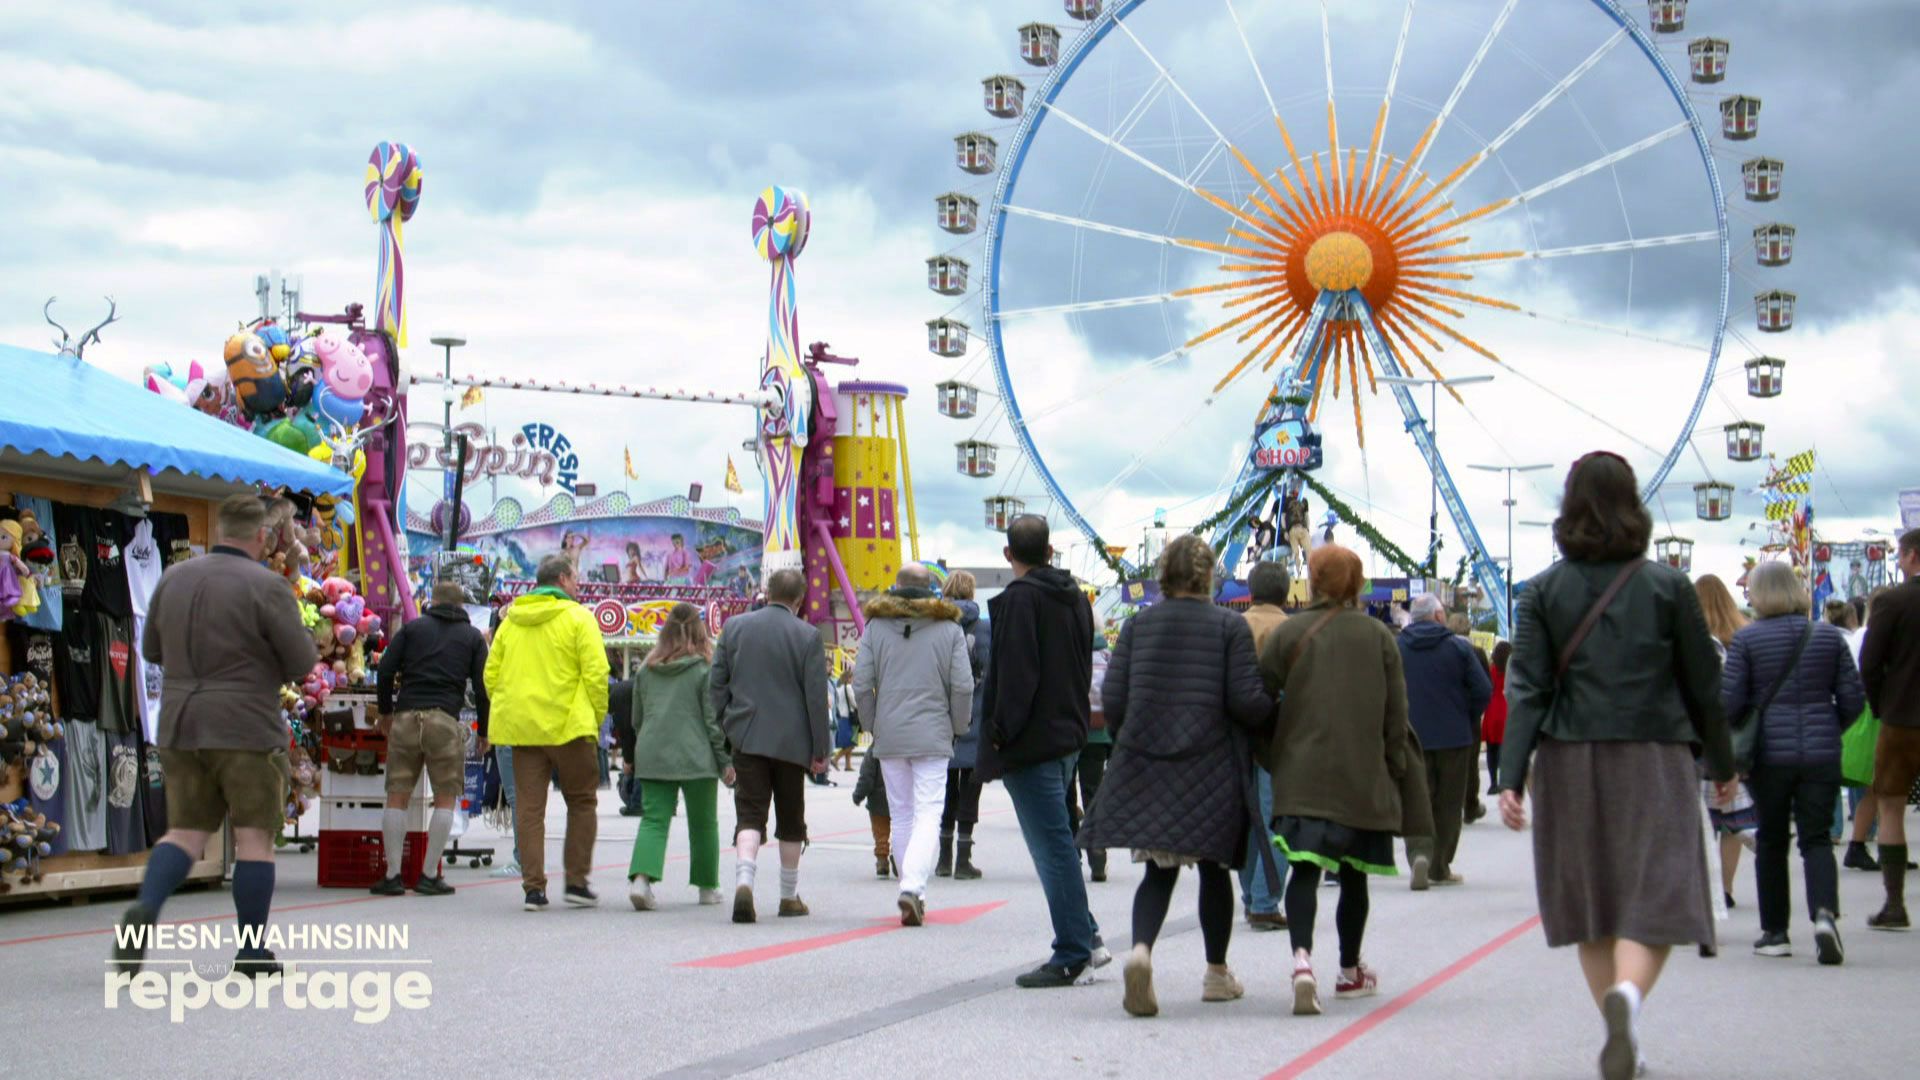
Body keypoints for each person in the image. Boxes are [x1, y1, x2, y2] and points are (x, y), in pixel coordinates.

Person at [1499, 451, 1735, 1080]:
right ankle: (1629, 1000)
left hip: (1568, 759)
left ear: (1567, 508)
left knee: (1590, 901)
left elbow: (1527, 688)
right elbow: (1703, 686)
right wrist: (1724, 763)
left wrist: (1510, 775)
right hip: (1653, 754)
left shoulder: (1542, 592)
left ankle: (1614, 1020)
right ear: (1634, 505)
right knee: (1655, 891)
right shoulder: (1667, 586)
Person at [112, 495, 319, 975]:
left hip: (181, 723)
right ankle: (251, 951)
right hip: (246, 727)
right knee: (253, 840)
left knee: (183, 833)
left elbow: (152, 649)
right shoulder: (266, 586)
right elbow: (302, 663)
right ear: (263, 537)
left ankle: (144, 914)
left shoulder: (173, 578)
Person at [1079, 535, 1273, 1017]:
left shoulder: (1139, 626)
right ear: (1209, 576)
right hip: (1210, 764)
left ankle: (1142, 950)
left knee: (1158, 869)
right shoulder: (1229, 627)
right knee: (1213, 869)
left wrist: (1136, 738)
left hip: (1150, 761)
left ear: (1163, 576)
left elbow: (1115, 699)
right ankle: (1216, 973)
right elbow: (1247, 702)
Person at [1259, 544, 1420, 1015]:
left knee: (1305, 872)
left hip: (1302, 774)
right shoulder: (1379, 637)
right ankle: (1350, 970)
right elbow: (1396, 714)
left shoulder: (1289, 633)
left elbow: (1258, 699)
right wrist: (1393, 767)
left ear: (1311, 581)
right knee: (1353, 878)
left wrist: (1274, 754)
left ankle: (1302, 962)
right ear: (1356, 584)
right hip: (1360, 775)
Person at [980, 515, 1110, 988]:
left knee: (1052, 847)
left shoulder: (1020, 601)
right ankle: (1088, 936)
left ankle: (1073, 952)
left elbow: (1016, 675)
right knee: (1060, 838)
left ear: (1008, 555)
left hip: (1031, 741)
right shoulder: (1074, 598)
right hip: (1068, 734)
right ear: (1051, 552)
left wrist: (998, 732)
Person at [1723, 560, 1863, 964]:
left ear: (1760, 594)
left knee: (1771, 839)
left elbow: (1729, 704)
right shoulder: (1828, 637)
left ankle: (1776, 931)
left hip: (1768, 757)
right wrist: (1828, 727)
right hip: (1820, 755)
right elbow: (1854, 699)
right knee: (1816, 838)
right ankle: (1823, 915)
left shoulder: (1746, 642)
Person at [485, 554, 611, 911]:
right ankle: (575, 882)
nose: (577, 584)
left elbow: (490, 675)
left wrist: (513, 707)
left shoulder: (511, 622)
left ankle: (533, 890)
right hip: (570, 727)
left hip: (523, 732)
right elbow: (596, 673)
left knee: (528, 809)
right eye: (574, 578)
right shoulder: (579, 618)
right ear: (560, 579)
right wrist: (595, 716)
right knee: (582, 801)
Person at [854, 565, 974, 925]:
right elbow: (964, 686)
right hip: (934, 732)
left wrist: (872, 724)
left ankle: (911, 888)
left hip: (890, 733)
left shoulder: (875, 627)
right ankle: (912, 886)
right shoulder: (949, 628)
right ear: (931, 591)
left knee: (902, 812)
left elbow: (862, 684)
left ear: (896, 587)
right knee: (928, 811)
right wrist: (958, 725)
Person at [712, 567, 831, 923]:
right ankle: (788, 896)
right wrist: (820, 750)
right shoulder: (808, 636)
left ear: (766, 590)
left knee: (749, 813)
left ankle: (744, 882)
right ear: (798, 600)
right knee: (791, 817)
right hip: (792, 744)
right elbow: (815, 698)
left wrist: (726, 723)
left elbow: (716, 684)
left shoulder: (734, 628)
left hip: (747, 736)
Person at [371, 580, 490, 897]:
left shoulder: (413, 629)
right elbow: (482, 688)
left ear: (433, 602)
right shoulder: (473, 638)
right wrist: (486, 731)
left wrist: (386, 712)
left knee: (397, 795)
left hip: (407, 717)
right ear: (462, 606)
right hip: (444, 720)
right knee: (445, 797)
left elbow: (385, 670)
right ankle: (427, 875)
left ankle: (393, 875)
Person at [627, 603, 733, 911]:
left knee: (653, 820)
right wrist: (725, 761)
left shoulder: (647, 668)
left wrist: (639, 748)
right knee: (703, 823)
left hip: (652, 751)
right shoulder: (704, 668)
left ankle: (641, 881)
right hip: (695, 756)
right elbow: (712, 721)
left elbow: (637, 718)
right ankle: (707, 886)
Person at [1398, 594, 1491, 889]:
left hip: (1412, 736)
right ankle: (1440, 865)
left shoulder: (1397, 646)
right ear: (1439, 616)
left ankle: (1419, 856)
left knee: (1417, 798)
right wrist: (1466, 715)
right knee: (1449, 803)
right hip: (1454, 736)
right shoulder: (1458, 648)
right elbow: (1483, 690)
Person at [1856, 527, 1920, 930]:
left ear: (1913, 556)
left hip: (1902, 719)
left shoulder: (1894, 602)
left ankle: (1894, 905)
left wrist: (1882, 707)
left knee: (1891, 805)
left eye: (1899, 555)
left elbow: (1869, 664)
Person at [1695, 573, 1758, 908]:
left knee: (1699, 819)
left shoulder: (1692, 641)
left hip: (1699, 742)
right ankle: (1726, 888)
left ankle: (1704, 886)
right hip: (1736, 740)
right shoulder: (1744, 636)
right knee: (1732, 823)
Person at [1240, 560, 1291, 930]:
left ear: (1251, 590)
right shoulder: (1292, 630)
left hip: (1239, 733)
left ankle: (1249, 893)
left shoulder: (1235, 626)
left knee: (1248, 820)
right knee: (1278, 819)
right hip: (1280, 738)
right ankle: (1265, 898)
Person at [940, 570, 990, 880]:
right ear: (972, 593)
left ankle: (942, 859)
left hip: (943, 719)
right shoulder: (986, 629)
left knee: (944, 790)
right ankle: (963, 860)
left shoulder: (936, 625)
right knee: (971, 790)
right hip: (978, 715)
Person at [1447, 612, 1492, 824]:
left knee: (1449, 762)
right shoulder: (1478, 653)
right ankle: (1470, 805)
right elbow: (1485, 686)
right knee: (1471, 762)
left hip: (1448, 714)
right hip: (1470, 714)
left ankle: (1450, 807)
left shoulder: (1444, 650)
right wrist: (1476, 712)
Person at [1077, 629, 1112, 882]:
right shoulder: (1108, 656)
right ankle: (1097, 855)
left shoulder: (1068, 651)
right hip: (1099, 734)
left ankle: (1070, 853)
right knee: (1093, 792)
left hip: (1068, 733)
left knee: (1066, 793)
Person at [851, 751, 893, 878]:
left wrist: (858, 795)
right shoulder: (903, 746)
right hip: (900, 800)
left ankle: (882, 863)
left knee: (881, 834)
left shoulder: (873, 751)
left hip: (878, 801)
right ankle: (899, 856)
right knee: (902, 830)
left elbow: (866, 777)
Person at [610, 671, 643, 816]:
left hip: (643, 728)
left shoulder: (617, 695)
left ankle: (636, 804)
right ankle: (669, 805)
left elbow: (626, 731)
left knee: (641, 763)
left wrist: (628, 761)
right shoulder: (622, 689)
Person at [1483, 642, 1510, 795]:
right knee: (1504, 749)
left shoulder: (1491, 670)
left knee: (1491, 749)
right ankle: (1505, 781)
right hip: (1505, 708)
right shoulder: (1510, 671)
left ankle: (1493, 782)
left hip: (1491, 709)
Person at [831, 668, 857, 774]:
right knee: (851, 743)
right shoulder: (849, 687)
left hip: (841, 717)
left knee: (847, 743)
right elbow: (854, 703)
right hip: (849, 718)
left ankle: (848, 765)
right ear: (849, 678)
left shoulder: (839, 688)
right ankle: (835, 759)